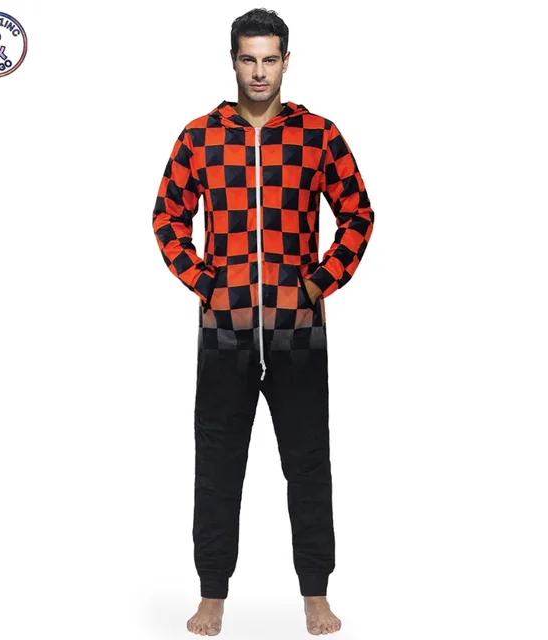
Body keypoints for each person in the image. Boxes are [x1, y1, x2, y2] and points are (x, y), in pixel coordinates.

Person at [152, 8, 374, 636]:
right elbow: (167, 217)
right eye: (248, 58)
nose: (258, 71)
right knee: (218, 464)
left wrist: (318, 282)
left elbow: (358, 214)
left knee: (308, 463)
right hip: (223, 334)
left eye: (269, 59)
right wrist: (205, 283)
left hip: (297, 332)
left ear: (286, 62)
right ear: (233, 61)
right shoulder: (200, 136)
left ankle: (315, 593)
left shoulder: (318, 135)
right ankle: (212, 594)